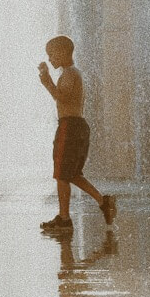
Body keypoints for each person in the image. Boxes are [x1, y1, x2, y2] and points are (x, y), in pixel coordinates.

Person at [38, 35, 116, 232]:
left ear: (63, 53)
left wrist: (47, 83)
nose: (50, 59)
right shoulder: (71, 73)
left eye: (52, 54)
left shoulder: (71, 74)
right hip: (75, 126)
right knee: (70, 173)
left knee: (61, 173)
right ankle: (103, 201)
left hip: (70, 126)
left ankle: (64, 219)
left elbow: (63, 98)